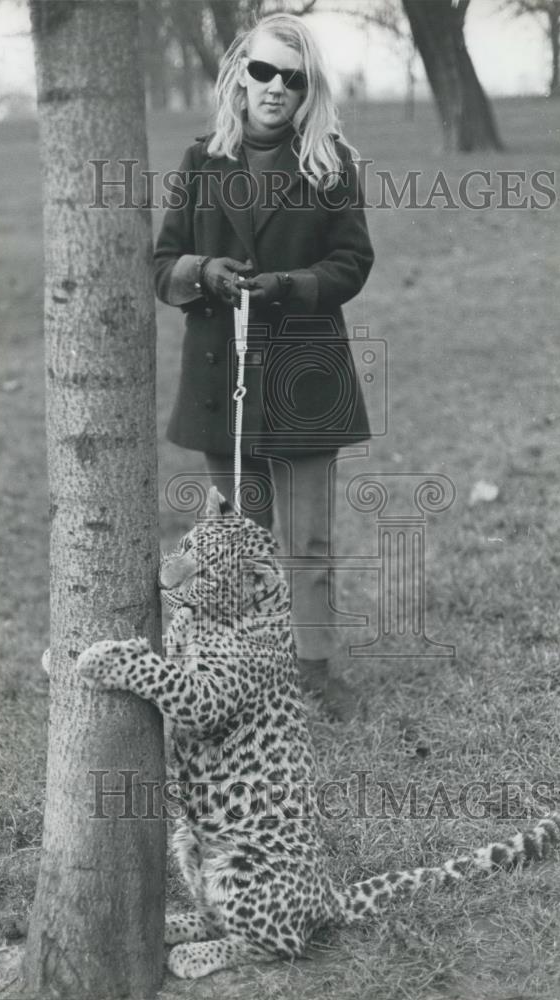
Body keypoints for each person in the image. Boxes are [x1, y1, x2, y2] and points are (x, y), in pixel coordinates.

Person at [153, 12, 374, 719]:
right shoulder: (201, 163)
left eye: (293, 77)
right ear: (239, 76)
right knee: (244, 540)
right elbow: (161, 265)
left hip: (308, 376)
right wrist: (204, 270)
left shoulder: (332, 163)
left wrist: (291, 285)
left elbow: (352, 261)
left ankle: (314, 670)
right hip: (226, 381)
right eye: (264, 72)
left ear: (308, 89)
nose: (276, 88)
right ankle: (250, 671)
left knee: (308, 538)